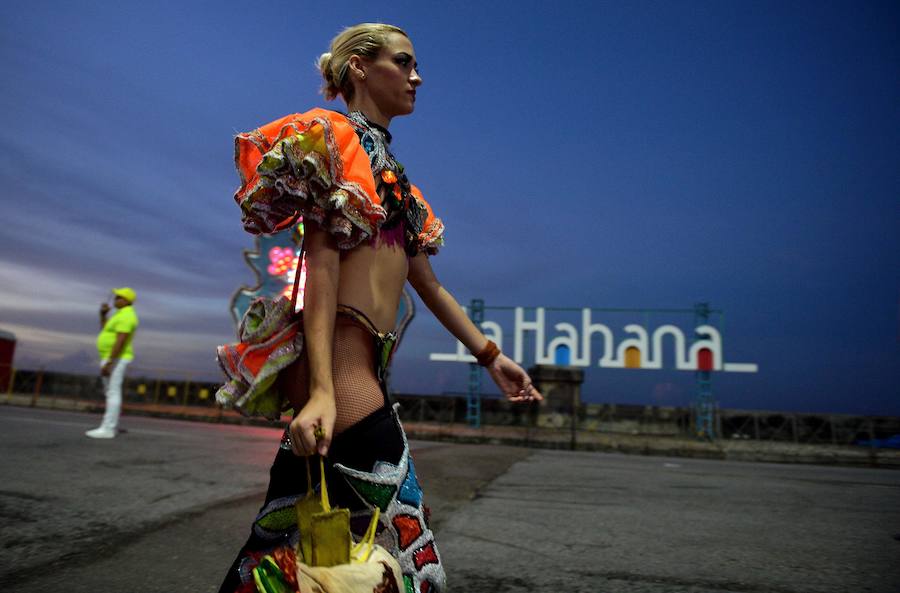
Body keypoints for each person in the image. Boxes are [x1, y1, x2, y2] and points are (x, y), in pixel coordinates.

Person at [216, 23, 542, 593]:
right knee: (418, 562)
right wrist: (321, 390)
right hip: (342, 379)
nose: (418, 76)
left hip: (357, 376)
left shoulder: (390, 176)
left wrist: (492, 357)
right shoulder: (335, 143)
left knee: (276, 552)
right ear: (361, 68)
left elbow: (430, 286)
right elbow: (321, 267)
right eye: (403, 62)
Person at [86, 287, 139, 439]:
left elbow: (121, 340)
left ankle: (108, 429)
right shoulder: (119, 315)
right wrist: (102, 315)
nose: (115, 300)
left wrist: (110, 362)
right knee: (111, 392)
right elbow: (105, 330)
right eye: (115, 297)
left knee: (113, 392)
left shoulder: (128, 316)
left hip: (116, 358)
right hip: (112, 357)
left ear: (127, 301)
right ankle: (109, 426)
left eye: (118, 297)